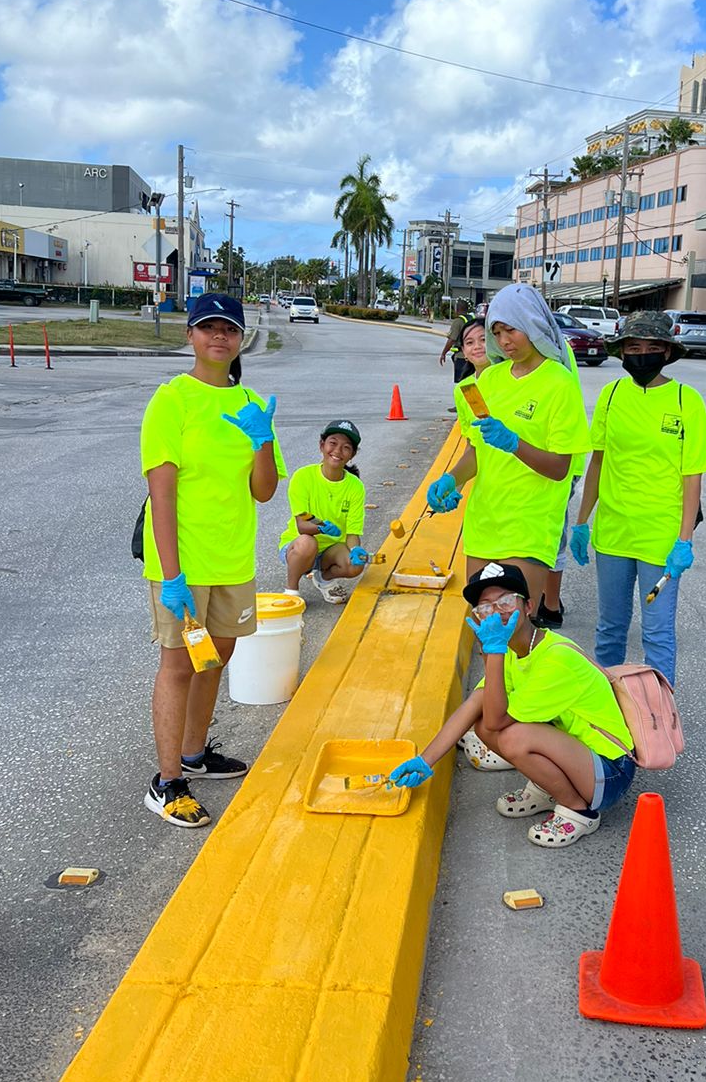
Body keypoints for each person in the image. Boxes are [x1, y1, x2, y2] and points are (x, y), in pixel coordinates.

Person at [140, 292, 284, 829]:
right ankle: (167, 780)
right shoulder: (172, 399)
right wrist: (172, 573)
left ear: (240, 338)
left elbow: (264, 491)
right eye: (208, 328)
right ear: (191, 336)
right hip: (183, 563)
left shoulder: (248, 401)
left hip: (232, 558)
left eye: (228, 329)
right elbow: (162, 491)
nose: (218, 336)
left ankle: (196, 754)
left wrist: (263, 439)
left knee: (214, 659)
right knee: (178, 665)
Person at [387, 563, 637, 848]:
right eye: (485, 608)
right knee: (482, 719)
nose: (496, 612)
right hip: (577, 756)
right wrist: (425, 760)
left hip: (610, 771)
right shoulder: (511, 649)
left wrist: (491, 650)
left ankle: (579, 810)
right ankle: (548, 788)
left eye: (505, 601)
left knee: (513, 735)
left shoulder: (555, 659)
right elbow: (476, 705)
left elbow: (498, 722)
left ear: (529, 606)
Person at [570, 310, 706, 688]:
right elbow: (598, 462)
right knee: (610, 630)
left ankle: (659, 720)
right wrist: (582, 521)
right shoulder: (612, 394)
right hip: (614, 533)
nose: (642, 354)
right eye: (634, 347)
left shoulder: (688, 401)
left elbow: (692, 478)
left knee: (657, 635)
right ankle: (607, 711)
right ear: (622, 352)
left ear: (667, 352)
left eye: (653, 347)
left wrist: (684, 541)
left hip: (660, 540)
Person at [425, 282, 590, 616]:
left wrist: (515, 444)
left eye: (511, 330)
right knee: (484, 628)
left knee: (513, 629)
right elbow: (476, 451)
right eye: (496, 333)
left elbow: (560, 468)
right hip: (485, 521)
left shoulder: (559, 383)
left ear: (532, 323)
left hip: (529, 525)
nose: (503, 342)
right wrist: (450, 480)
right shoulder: (488, 380)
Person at [278, 419, 369, 604]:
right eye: (333, 443)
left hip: (331, 549)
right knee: (307, 543)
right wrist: (321, 527)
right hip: (298, 546)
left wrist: (355, 550)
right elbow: (302, 523)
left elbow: (352, 532)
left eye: (346, 447)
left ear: (352, 454)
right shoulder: (303, 477)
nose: (337, 451)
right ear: (322, 445)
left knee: (355, 566)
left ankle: (324, 579)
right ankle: (291, 591)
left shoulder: (355, 487)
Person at [438, 299, 476, 384]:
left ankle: (468, 397)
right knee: (471, 383)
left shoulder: (458, 321)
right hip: (473, 357)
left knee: (463, 384)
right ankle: (473, 397)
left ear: (457, 309)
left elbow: (451, 340)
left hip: (461, 357)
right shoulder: (472, 319)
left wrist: (443, 353)